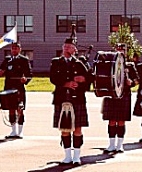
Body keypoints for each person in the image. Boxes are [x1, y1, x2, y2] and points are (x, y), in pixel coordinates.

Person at [50, 37, 90, 166]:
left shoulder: (80, 63)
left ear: (74, 49)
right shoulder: (56, 62)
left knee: (77, 128)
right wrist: (66, 83)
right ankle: (67, 156)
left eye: (69, 46)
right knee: (64, 128)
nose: (66, 48)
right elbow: (53, 78)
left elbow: (90, 77)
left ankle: (77, 156)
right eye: (65, 46)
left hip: (77, 99)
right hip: (61, 98)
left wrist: (83, 79)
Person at [102, 44, 139, 153]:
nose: (120, 51)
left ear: (126, 52)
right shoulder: (110, 64)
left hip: (124, 95)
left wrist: (131, 82)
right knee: (111, 120)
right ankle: (111, 145)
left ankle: (119, 145)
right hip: (112, 95)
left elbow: (137, 80)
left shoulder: (130, 65)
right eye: (118, 50)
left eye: (122, 50)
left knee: (122, 121)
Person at [0, 42, 33, 139]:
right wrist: (0, 72)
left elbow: (29, 74)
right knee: (11, 109)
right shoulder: (7, 60)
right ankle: (13, 131)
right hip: (8, 88)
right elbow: (0, 70)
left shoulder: (24, 60)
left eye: (16, 48)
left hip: (19, 88)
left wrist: (25, 79)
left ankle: (20, 132)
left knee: (20, 109)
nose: (14, 50)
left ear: (20, 49)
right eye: (13, 48)